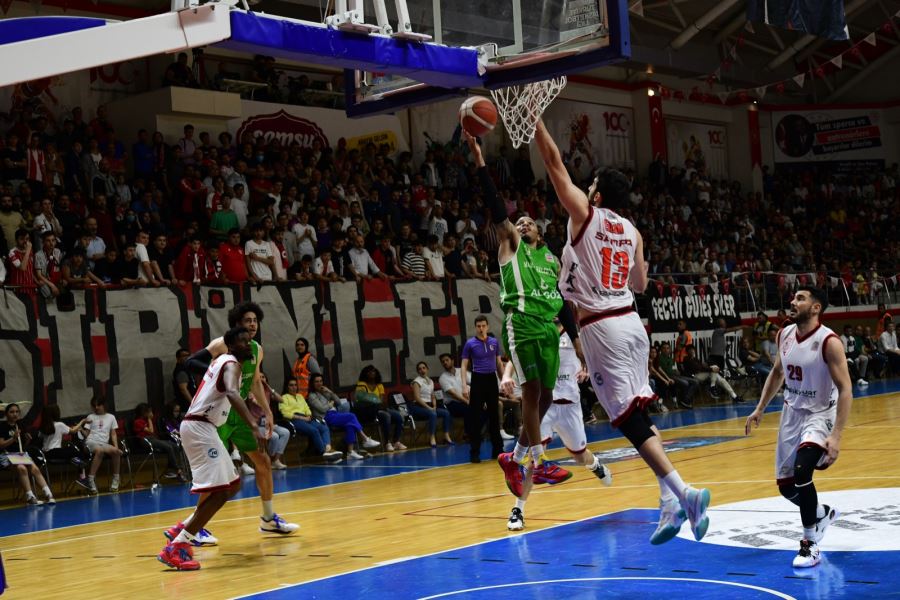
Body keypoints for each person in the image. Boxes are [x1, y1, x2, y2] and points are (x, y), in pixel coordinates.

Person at [533, 118, 712, 545]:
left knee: (627, 419)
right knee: (641, 414)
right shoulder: (632, 231)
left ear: (595, 193)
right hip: (632, 323)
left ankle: (685, 493)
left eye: (590, 183)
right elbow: (641, 285)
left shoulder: (585, 215)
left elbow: (555, 163)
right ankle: (668, 502)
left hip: (603, 329)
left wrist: (534, 120)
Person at [465, 133, 572, 489]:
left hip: (546, 326)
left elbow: (565, 305)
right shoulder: (511, 244)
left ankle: (514, 457)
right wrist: (480, 159)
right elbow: (497, 206)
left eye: (529, 222)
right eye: (519, 221)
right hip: (520, 322)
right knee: (530, 393)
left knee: (545, 397)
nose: (522, 224)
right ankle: (537, 461)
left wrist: (577, 341)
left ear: (540, 231)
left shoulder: (551, 260)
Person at [745, 286, 852, 568]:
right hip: (791, 413)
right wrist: (759, 408)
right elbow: (778, 372)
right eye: (794, 297)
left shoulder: (829, 341)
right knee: (785, 486)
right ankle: (821, 513)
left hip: (819, 413)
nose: (793, 302)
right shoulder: (784, 334)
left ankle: (809, 544)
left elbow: (846, 389)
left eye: (800, 298)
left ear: (816, 308)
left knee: (804, 470)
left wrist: (836, 436)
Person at [181, 301, 299, 543]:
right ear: (237, 325)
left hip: (241, 412)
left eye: (255, 320)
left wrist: (267, 412)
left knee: (263, 461)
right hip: (219, 413)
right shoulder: (222, 346)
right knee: (216, 476)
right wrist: (217, 372)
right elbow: (191, 362)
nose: (252, 324)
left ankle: (268, 518)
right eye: (247, 321)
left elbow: (255, 381)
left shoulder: (256, 350)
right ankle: (195, 526)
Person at [158, 327, 264, 571]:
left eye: (250, 341)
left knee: (233, 484)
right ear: (229, 345)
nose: (248, 344)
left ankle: (182, 530)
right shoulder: (230, 363)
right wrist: (253, 425)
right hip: (200, 427)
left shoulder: (222, 362)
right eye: (242, 341)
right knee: (219, 492)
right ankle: (177, 546)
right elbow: (231, 392)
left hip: (203, 426)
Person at [506, 322, 612, 531]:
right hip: (545, 405)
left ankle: (595, 465)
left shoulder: (576, 337)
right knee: (534, 460)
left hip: (569, 406)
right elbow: (515, 353)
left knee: (580, 456)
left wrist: (587, 370)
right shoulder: (538, 331)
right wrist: (506, 375)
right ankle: (518, 510)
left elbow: (593, 358)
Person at [459, 315, 504, 463]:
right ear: (475, 327)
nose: (481, 328)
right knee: (476, 418)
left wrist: (504, 381)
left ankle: (498, 450)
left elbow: (498, 363)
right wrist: (464, 385)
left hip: (491, 379)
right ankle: (475, 453)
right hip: (478, 379)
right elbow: (464, 365)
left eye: (483, 325)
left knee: (494, 417)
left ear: (487, 326)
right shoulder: (470, 344)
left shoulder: (494, 342)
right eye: (478, 326)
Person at [305, 374, 380, 459]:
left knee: (350, 425)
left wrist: (330, 392)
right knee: (351, 416)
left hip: (334, 414)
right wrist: (330, 405)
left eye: (320, 381)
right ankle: (365, 438)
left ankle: (350, 452)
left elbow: (338, 402)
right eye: (316, 381)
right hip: (325, 417)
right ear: (312, 383)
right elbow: (322, 409)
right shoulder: (312, 396)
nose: (319, 383)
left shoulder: (324, 392)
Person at [0, 403, 56, 505]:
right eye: (12, 412)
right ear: (6, 414)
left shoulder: (20, 425)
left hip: (20, 455)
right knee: (22, 468)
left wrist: (27, 440)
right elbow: (1, 445)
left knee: (34, 468)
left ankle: (48, 494)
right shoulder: (2, 426)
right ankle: (30, 497)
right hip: (6, 455)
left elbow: (22, 445)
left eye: (17, 412)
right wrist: (13, 438)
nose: (15, 414)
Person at [279, 378, 343, 462]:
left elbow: (307, 408)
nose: (294, 387)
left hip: (306, 418)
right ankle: (324, 453)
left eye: (295, 385)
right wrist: (302, 418)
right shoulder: (283, 397)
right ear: (287, 387)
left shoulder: (300, 396)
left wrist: (308, 415)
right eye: (291, 385)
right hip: (294, 420)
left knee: (323, 426)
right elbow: (285, 413)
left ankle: (328, 449)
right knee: (314, 430)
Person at [353, 365, 406, 451]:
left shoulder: (379, 385)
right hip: (369, 410)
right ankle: (387, 443)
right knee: (386, 416)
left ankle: (396, 441)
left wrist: (375, 401)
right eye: (369, 371)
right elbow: (360, 399)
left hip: (379, 407)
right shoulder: (362, 384)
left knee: (398, 416)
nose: (372, 373)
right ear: (365, 374)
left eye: (373, 371)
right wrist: (373, 400)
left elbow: (380, 400)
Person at [38, 404, 89, 490]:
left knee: (71, 452)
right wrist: (82, 422)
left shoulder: (43, 426)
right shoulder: (59, 424)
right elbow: (73, 431)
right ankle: (82, 476)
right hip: (55, 452)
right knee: (76, 451)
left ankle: (77, 463)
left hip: (46, 454)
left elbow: (40, 437)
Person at [133, 403, 186, 481]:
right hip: (145, 440)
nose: (151, 414)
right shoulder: (138, 422)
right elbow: (151, 431)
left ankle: (171, 469)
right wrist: (149, 419)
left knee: (174, 445)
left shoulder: (147, 420)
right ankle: (178, 470)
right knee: (168, 447)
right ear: (144, 413)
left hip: (153, 439)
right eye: (149, 412)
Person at [83, 395, 123, 494]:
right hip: (91, 442)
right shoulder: (91, 417)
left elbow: (113, 434)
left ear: (104, 405)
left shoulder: (111, 417)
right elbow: (86, 434)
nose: (96, 407)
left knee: (116, 452)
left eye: (98, 405)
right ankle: (91, 479)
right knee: (99, 451)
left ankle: (116, 479)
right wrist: (80, 429)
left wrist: (116, 447)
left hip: (103, 443)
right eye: (94, 405)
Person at [409, 361, 454, 448]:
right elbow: (417, 398)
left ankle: (446, 436)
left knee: (446, 413)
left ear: (427, 369)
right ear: (418, 371)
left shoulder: (431, 381)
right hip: (418, 407)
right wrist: (429, 408)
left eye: (424, 368)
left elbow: (433, 396)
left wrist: (434, 406)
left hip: (429, 406)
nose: (422, 370)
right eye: (419, 369)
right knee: (432, 414)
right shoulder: (416, 382)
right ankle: (432, 437)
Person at [257, 372, 291, 470]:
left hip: (269, 423)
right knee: (275, 437)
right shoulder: (253, 391)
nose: (261, 379)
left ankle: (275, 460)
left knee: (285, 432)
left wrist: (268, 387)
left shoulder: (268, 391)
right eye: (259, 377)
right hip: (258, 424)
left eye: (263, 377)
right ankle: (271, 460)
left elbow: (281, 400)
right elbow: (258, 405)